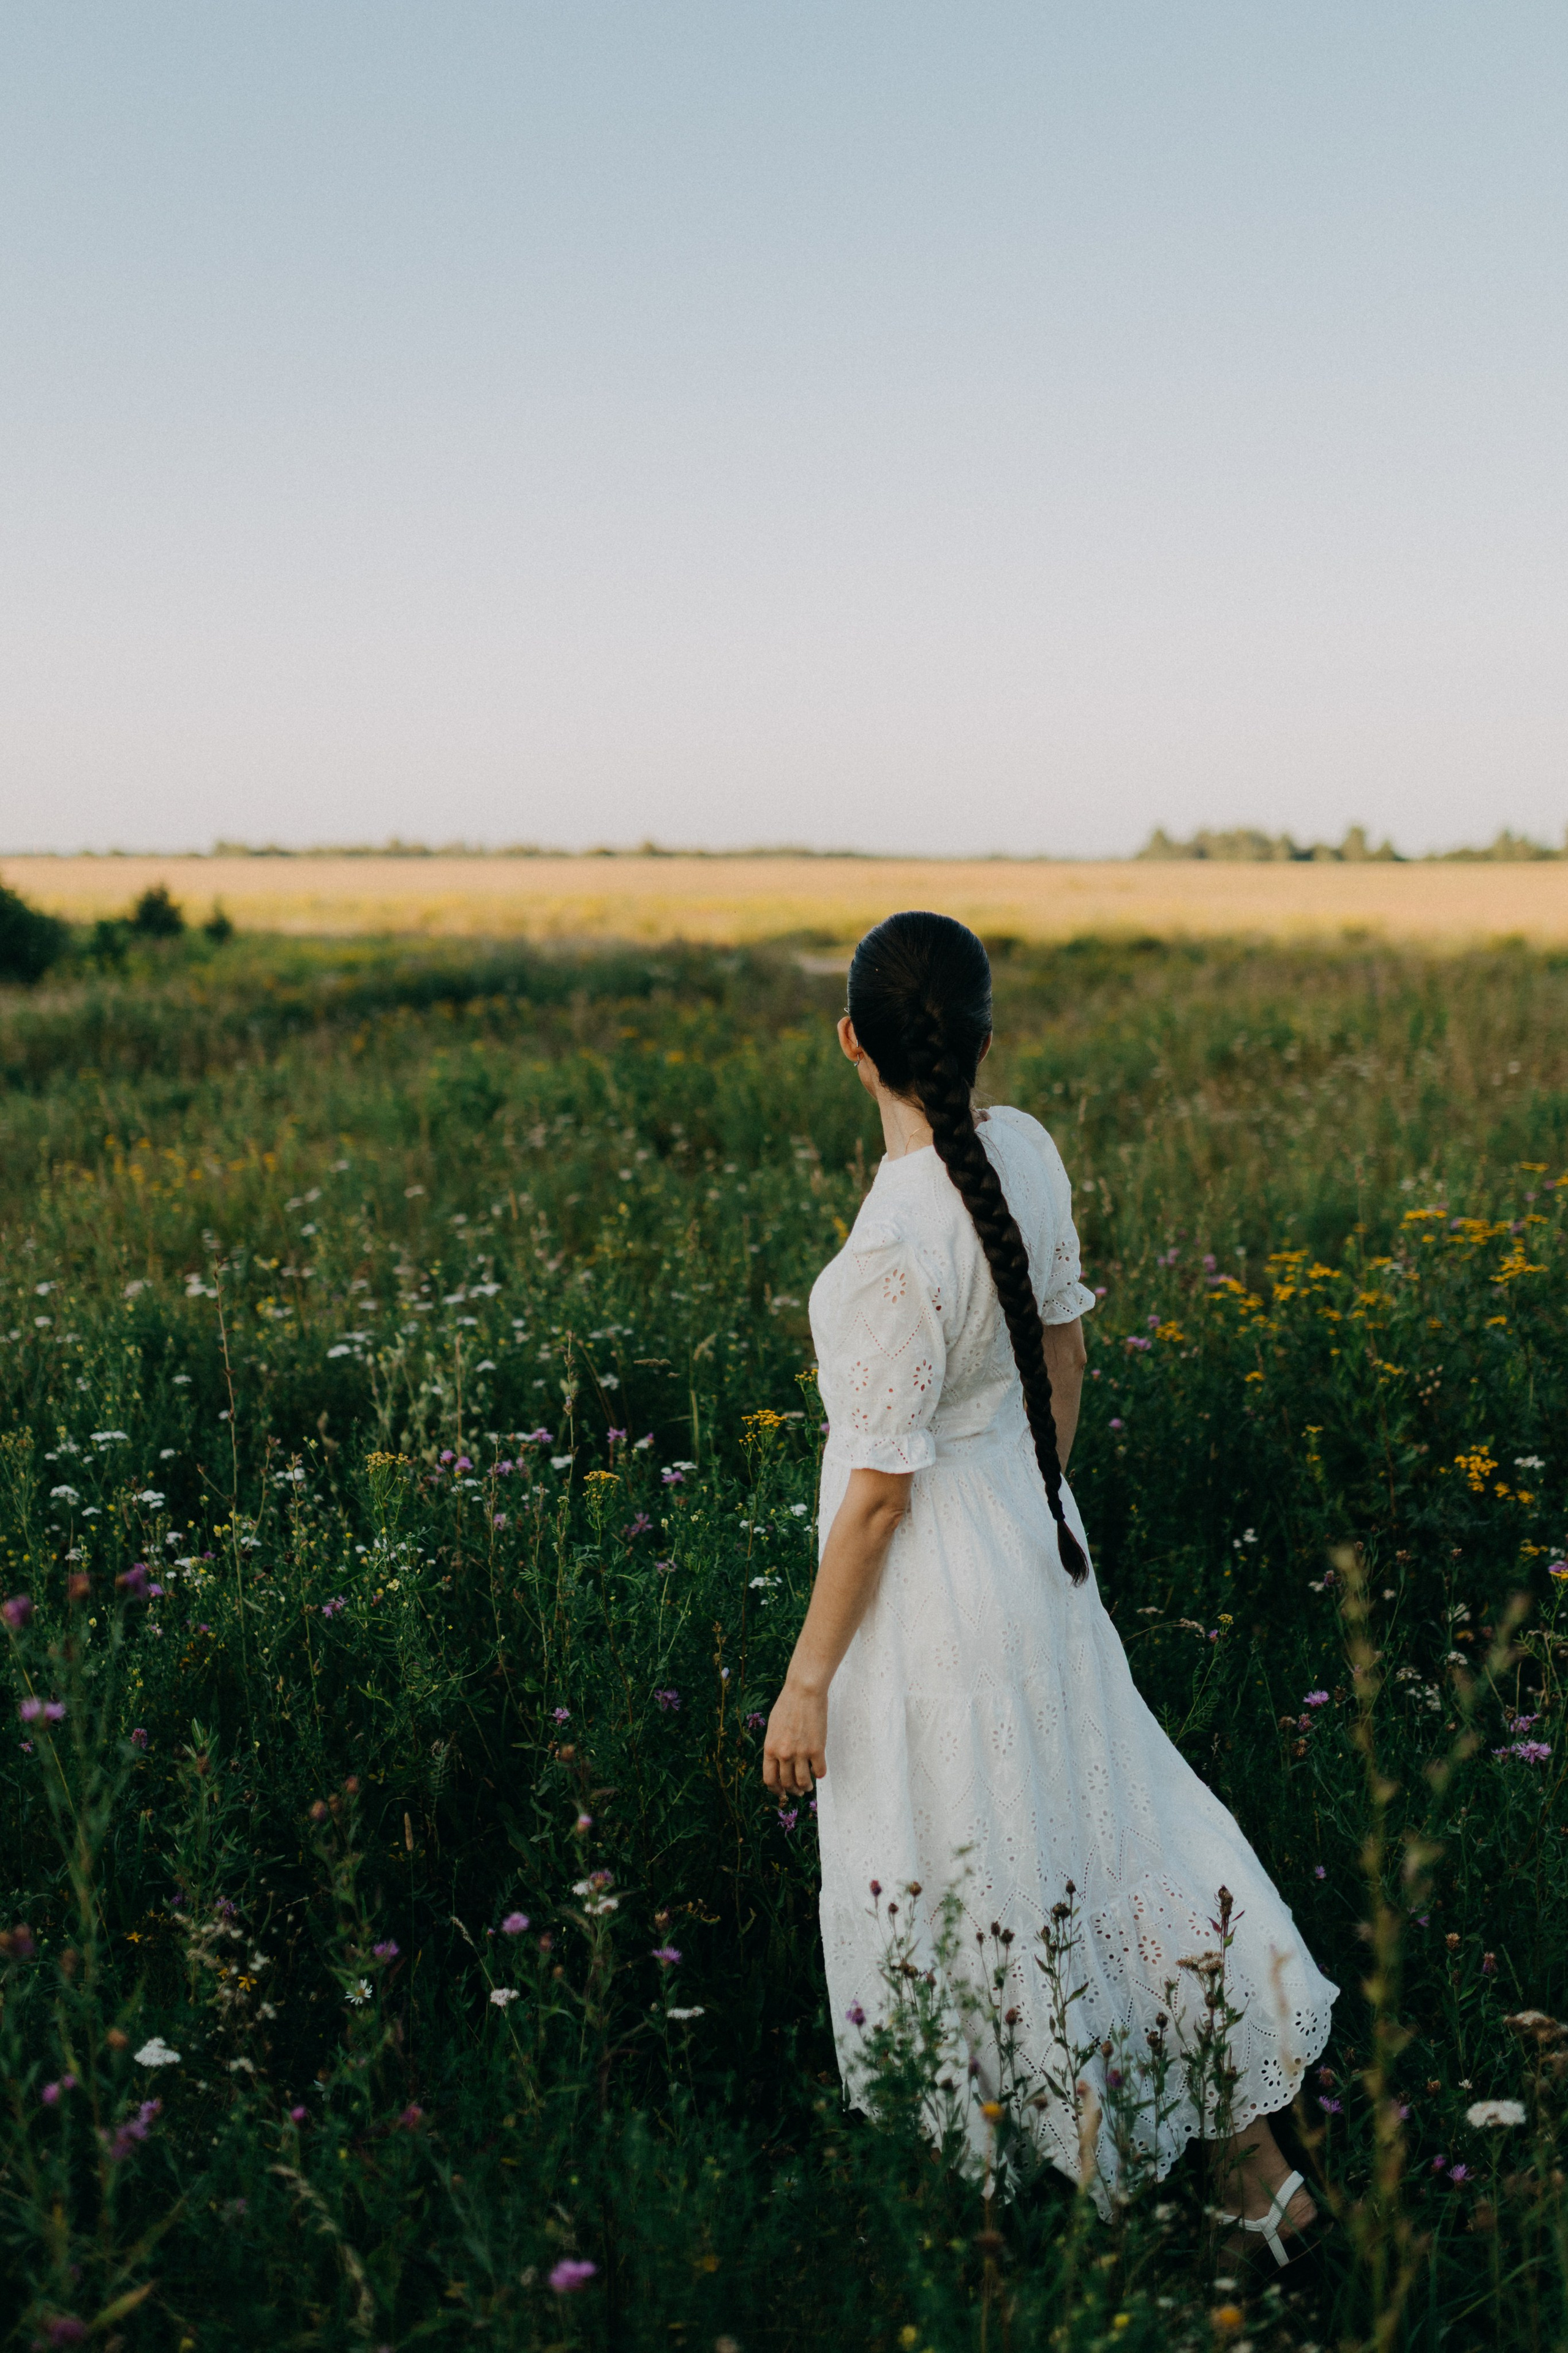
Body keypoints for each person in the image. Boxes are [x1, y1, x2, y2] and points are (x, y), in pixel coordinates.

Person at [763, 911, 1335, 2257]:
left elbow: (879, 1498)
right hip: (1034, 1545)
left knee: (963, 1869)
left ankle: (1011, 2208)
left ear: (851, 1043)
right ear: (979, 1038)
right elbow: (1063, 1351)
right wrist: (1027, 1495)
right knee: (1110, 1836)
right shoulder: (1020, 1152)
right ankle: (1253, 2175)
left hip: (930, 1604)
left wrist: (805, 1683)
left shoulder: (884, 1259)